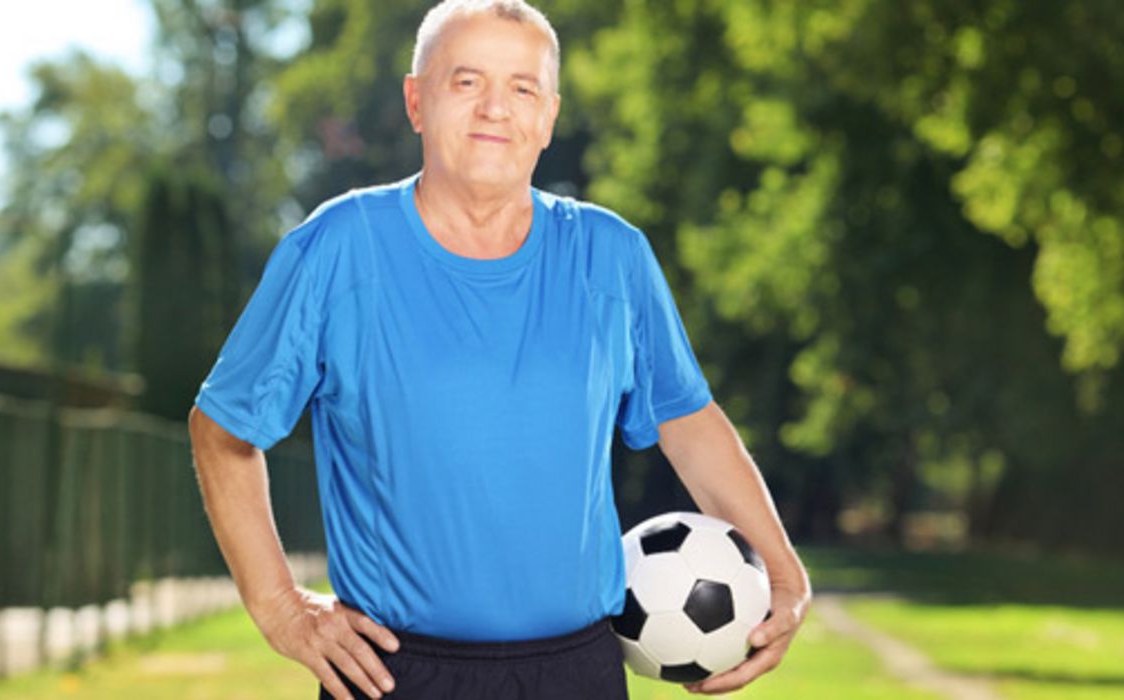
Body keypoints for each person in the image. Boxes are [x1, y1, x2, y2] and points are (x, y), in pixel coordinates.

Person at [186, 1, 811, 698]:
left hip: (575, 673)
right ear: (415, 100)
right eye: (465, 82)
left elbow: (686, 424)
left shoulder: (610, 257)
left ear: (548, 114)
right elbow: (223, 429)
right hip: (393, 673)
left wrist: (783, 576)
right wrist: (279, 607)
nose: (495, 109)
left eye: (522, 88)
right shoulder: (338, 247)